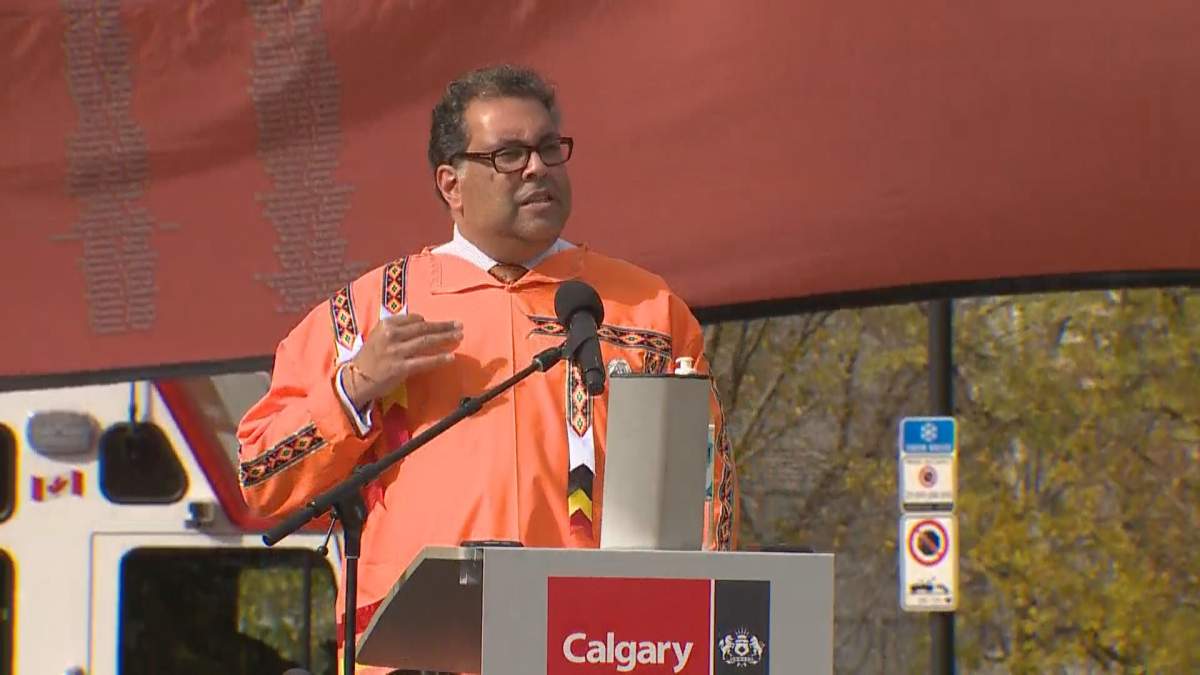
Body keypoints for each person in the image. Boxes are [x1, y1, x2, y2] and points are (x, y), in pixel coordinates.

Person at [236, 64, 739, 674]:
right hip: (420, 650)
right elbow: (262, 478)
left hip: (602, 646)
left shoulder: (645, 307)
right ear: (451, 183)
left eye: (550, 148)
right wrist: (354, 389)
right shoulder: (367, 314)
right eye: (509, 154)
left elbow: (709, 495)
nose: (538, 168)